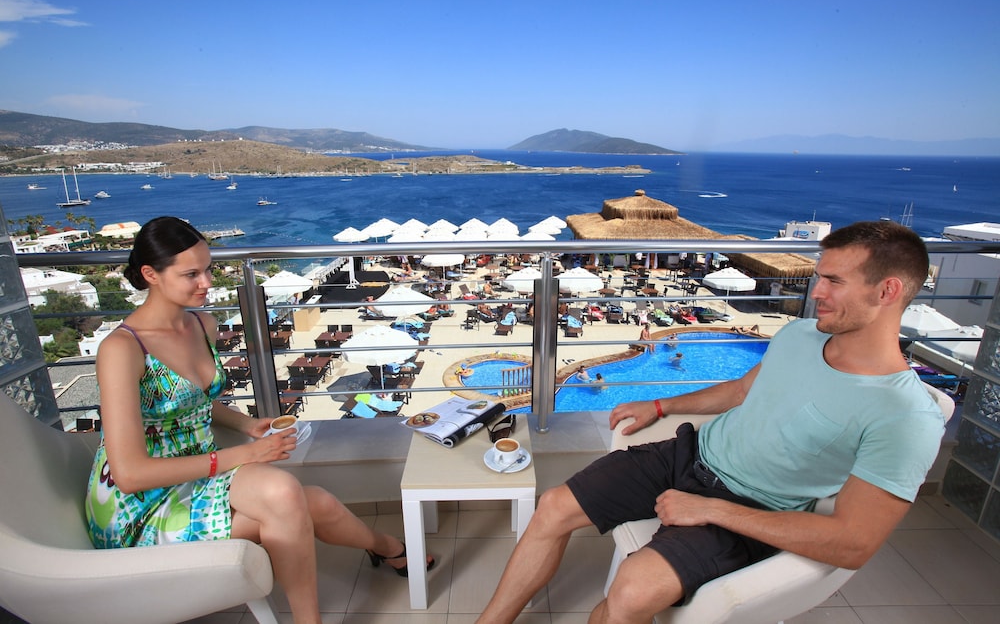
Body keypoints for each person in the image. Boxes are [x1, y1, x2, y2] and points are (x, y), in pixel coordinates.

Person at [476, 221, 947, 624]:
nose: (816, 292)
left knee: (632, 592)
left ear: (887, 291)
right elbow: (740, 391)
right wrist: (661, 406)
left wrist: (710, 510)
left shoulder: (904, 416)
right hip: (691, 454)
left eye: (834, 282)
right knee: (553, 506)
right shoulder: (801, 335)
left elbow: (853, 544)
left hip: (752, 506)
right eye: (819, 277)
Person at [84, 217, 433, 624]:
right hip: (141, 506)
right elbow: (130, 474)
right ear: (150, 275)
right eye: (191, 274)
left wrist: (245, 425)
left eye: (209, 269)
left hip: (197, 477)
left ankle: (387, 549)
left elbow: (189, 403)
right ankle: (380, 558)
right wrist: (245, 455)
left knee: (307, 501)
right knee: (286, 495)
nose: (207, 282)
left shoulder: (202, 324)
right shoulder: (122, 349)